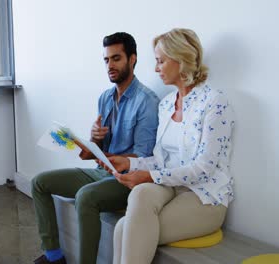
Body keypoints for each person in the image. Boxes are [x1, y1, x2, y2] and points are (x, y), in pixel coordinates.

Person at [96, 28, 235, 264]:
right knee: (138, 198)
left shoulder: (214, 102)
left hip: (203, 195)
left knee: (124, 229)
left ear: (180, 59)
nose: (155, 68)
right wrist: (129, 163)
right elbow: (161, 161)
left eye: (160, 61)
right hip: (171, 187)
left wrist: (148, 175)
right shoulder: (167, 104)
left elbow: (203, 168)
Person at [32, 32, 160, 264]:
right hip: (102, 172)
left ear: (132, 59)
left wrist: (107, 156)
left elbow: (143, 157)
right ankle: (54, 256)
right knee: (39, 182)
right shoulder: (105, 98)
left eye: (116, 58)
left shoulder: (147, 102)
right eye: (106, 60)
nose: (110, 65)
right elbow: (96, 152)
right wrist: (94, 139)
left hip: (127, 181)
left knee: (86, 196)